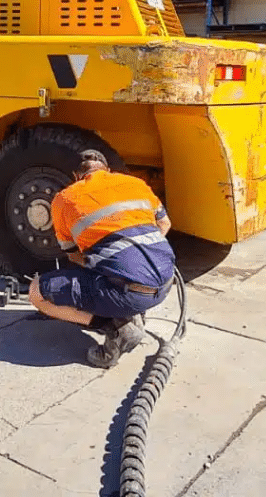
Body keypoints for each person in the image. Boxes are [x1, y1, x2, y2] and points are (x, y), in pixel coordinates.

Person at [28, 150, 176, 369]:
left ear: (76, 175)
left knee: (36, 292)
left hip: (130, 294)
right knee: (117, 269)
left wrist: (107, 262)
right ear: (107, 170)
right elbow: (165, 224)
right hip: (166, 283)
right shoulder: (136, 184)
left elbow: (73, 254)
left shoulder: (64, 198)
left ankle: (116, 328)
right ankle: (130, 309)